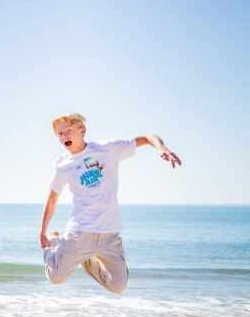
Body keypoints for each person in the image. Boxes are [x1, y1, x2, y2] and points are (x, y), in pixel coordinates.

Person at [39, 113, 182, 293]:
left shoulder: (107, 149)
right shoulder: (62, 165)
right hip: (80, 231)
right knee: (56, 278)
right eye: (60, 134)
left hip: (110, 233)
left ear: (82, 131)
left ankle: (87, 258)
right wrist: (44, 231)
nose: (64, 136)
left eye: (69, 131)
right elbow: (53, 199)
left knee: (118, 286)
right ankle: (54, 243)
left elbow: (147, 137)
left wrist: (160, 148)